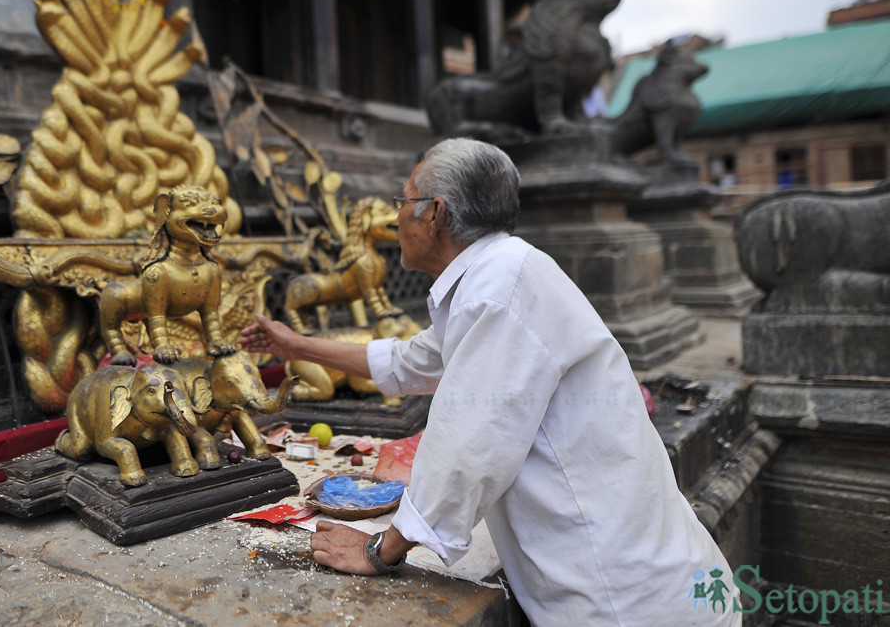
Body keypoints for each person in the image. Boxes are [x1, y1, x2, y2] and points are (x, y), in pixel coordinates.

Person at [239, 138, 738, 627]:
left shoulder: (497, 291)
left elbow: (468, 448)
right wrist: (294, 347)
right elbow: (409, 361)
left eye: (402, 201)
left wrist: (381, 550)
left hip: (621, 597)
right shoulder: (497, 275)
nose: (395, 217)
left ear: (433, 213)